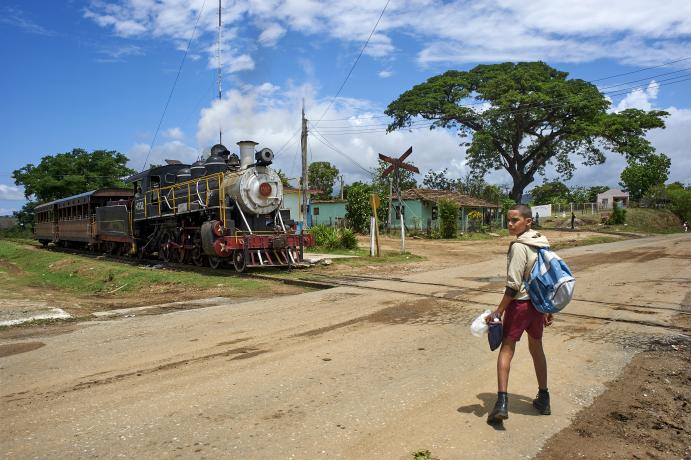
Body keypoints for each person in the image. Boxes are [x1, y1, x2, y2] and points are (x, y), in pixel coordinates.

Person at [486, 204, 553, 424]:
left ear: (528, 221)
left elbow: (513, 286)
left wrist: (498, 311)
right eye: (508, 220)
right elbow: (547, 277)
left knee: (506, 350)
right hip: (538, 306)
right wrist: (548, 307)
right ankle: (544, 398)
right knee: (537, 348)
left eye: (515, 220)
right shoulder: (542, 242)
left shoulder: (519, 246)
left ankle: (501, 403)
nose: (510, 224)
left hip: (520, 306)